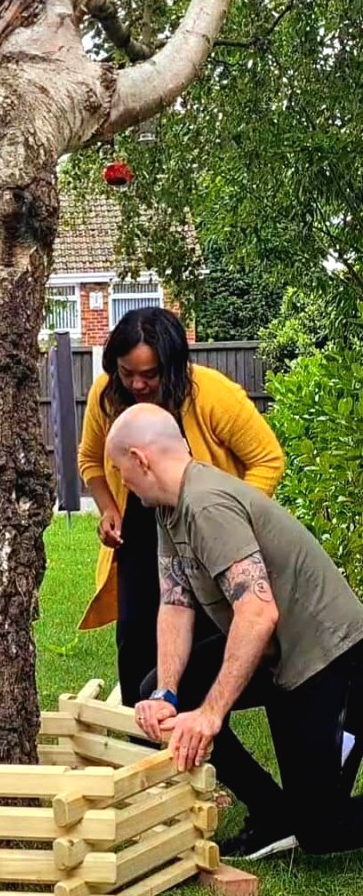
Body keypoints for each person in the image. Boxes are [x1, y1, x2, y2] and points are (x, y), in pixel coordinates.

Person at [108, 403, 363, 860]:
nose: (120, 481)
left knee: (322, 829)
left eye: (121, 469)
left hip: (331, 659)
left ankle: (299, 814)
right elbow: (175, 602)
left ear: (140, 459)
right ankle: (272, 811)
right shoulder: (170, 508)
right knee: (167, 688)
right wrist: (167, 693)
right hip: (280, 656)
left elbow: (259, 613)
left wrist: (210, 714)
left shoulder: (207, 504)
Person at [78, 307, 285, 706]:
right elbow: (89, 460)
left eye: (149, 374)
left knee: (199, 662)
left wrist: (229, 521)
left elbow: (268, 459)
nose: (136, 383)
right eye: (126, 372)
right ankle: (144, 749)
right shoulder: (105, 396)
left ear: (171, 366)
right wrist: (108, 509)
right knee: (138, 645)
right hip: (138, 539)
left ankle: (201, 737)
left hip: (207, 539)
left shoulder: (211, 393)